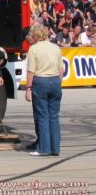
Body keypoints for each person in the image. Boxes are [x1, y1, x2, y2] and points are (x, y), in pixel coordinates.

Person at [25, 25, 63, 156]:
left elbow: (31, 70)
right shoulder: (55, 47)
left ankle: (44, 148)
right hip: (55, 81)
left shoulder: (33, 49)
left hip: (40, 81)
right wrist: (58, 83)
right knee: (54, 117)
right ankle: (55, 148)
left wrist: (28, 88)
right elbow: (60, 70)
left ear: (35, 36)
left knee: (42, 116)